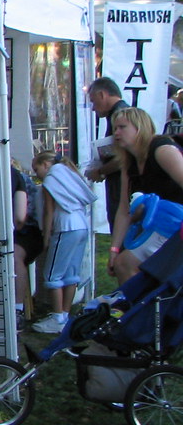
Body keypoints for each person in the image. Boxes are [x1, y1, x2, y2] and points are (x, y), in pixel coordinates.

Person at [107, 107, 183, 283]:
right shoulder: (129, 163)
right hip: (157, 228)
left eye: (122, 127)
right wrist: (114, 249)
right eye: (114, 128)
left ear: (139, 127)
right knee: (122, 263)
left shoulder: (162, 150)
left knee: (125, 264)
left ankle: (139, 307)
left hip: (175, 225)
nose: (116, 133)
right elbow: (124, 210)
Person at [31, 151, 97, 334]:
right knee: (71, 272)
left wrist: (45, 238)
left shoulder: (51, 180)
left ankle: (57, 316)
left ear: (45, 164)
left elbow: (48, 212)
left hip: (66, 227)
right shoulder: (69, 174)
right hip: (81, 225)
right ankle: (65, 314)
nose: (36, 174)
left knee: (53, 274)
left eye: (36, 169)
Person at [85, 77, 128, 231]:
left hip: (123, 189)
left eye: (93, 101)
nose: (93, 108)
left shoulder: (121, 115)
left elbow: (125, 157)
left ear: (102, 95)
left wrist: (100, 171)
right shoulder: (117, 115)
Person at [11, 161, 43, 328]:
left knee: (14, 257)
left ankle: (17, 310)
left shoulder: (17, 177)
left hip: (27, 232)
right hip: (15, 231)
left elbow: (20, 220)